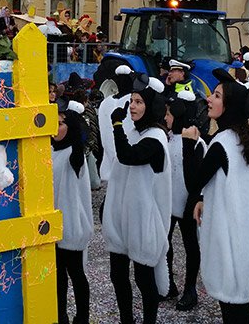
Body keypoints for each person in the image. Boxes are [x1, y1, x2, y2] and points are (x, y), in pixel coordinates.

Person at [192, 69, 249, 324]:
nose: (209, 99)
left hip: (230, 241)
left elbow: (194, 181)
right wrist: (204, 198)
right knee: (240, 309)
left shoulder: (221, 143)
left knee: (234, 312)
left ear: (230, 105)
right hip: (248, 234)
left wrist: (188, 144)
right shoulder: (245, 138)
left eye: (216, 95)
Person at [102, 73, 171, 324]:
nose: (132, 106)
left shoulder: (155, 138)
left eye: (140, 101)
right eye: (131, 100)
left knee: (144, 278)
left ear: (152, 106)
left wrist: (117, 126)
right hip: (122, 216)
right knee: (117, 275)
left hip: (144, 219)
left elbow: (128, 156)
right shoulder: (135, 132)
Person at [52, 98, 93, 324]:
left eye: (61, 124)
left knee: (76, 274)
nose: (56, 129)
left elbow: (78, 150)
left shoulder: (74, 154)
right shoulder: (49, 149)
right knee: (58, 276)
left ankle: (83, 317)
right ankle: (61, 316)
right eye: (54, 123)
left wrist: (76, 125)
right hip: (53, 226)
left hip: (72, 224)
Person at [163, 90, 203, 311]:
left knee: (190, 246)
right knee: (165, 243)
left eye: (169, 114)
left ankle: (190, 288)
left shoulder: (196, 142)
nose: (166, 118)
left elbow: (197, 176)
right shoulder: (167, 139)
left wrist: (195, 200)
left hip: (188, 203)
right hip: (168, 203)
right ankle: (168, 283)